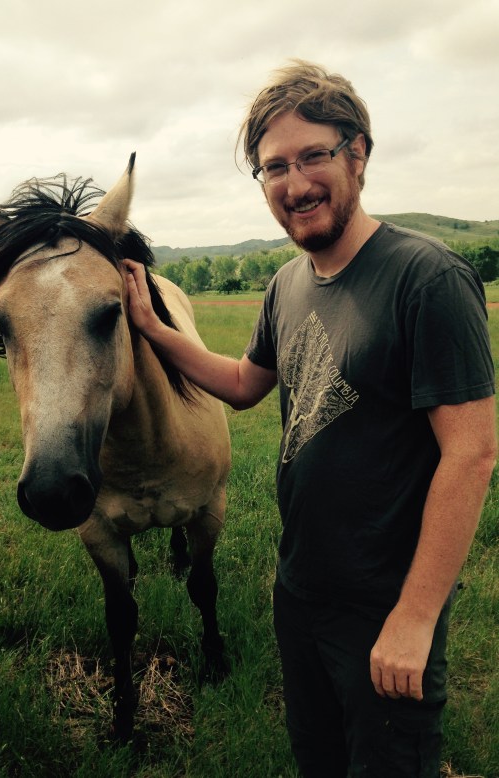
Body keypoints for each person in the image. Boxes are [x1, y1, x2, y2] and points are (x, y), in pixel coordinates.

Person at [123, 60, 497, 777]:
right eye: (272, 168)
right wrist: (154, 326)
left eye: (313, 156)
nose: (293, 184)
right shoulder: (287, 284)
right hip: (300, 586)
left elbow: (471, 455)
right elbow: (241, 384)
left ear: (359, 154)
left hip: (385, 600)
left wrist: (415, 618)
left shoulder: (428, 278)